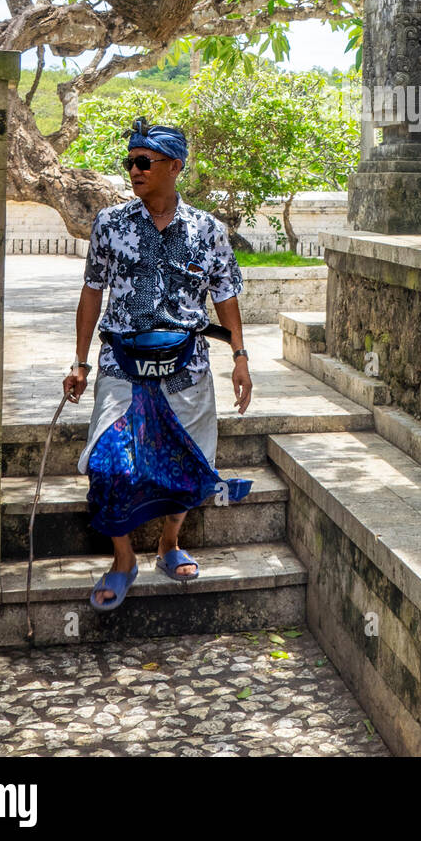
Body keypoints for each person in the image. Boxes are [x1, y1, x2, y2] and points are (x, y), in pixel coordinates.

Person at [61, 118, 254, 610]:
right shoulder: (110, 224)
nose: (134, 170)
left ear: (175, 167)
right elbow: (91, 293)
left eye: (144, 162)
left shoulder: (208, 230)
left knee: (187, 465)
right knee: (108, 463)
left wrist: (240, 356)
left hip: (186, 368)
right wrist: (79, 362)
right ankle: (122, 559)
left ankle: (169, 544)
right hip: (121, 365)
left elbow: (225, 296)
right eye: (130, 162)